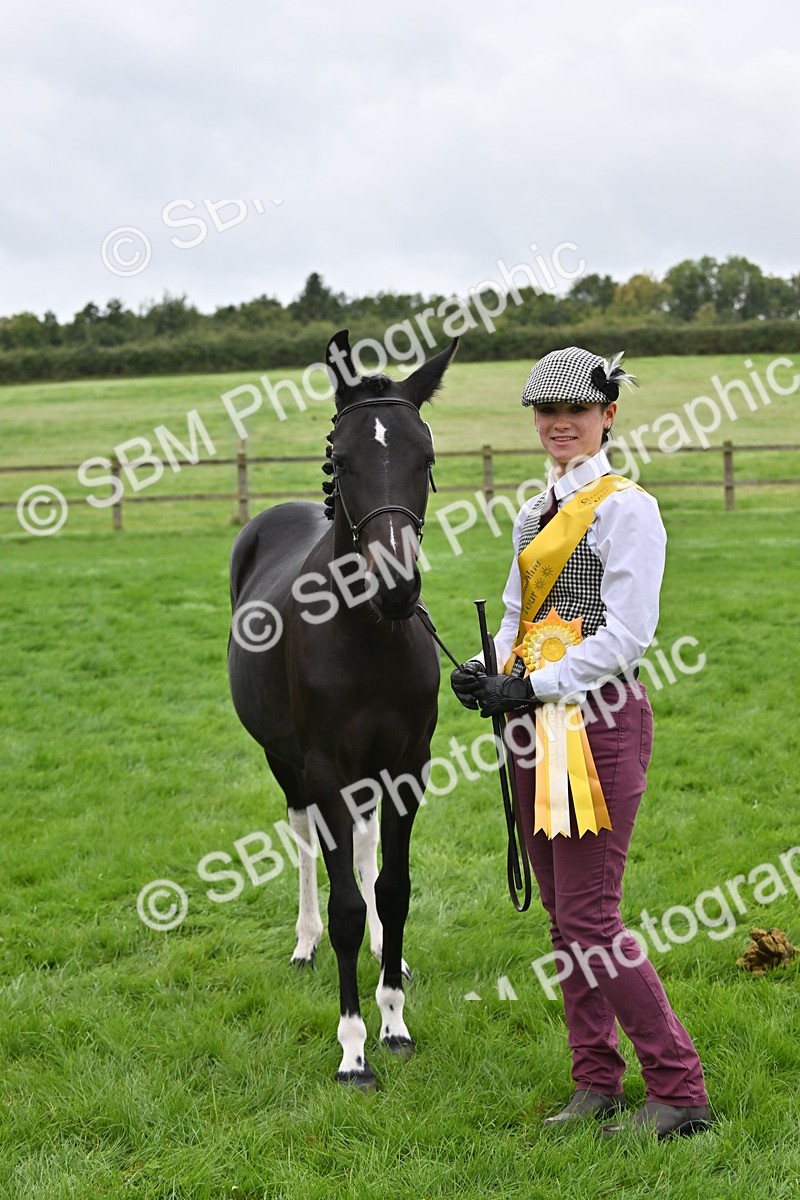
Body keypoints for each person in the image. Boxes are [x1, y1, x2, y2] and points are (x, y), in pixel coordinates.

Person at [451, 346, 712, 1140]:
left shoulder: (626, 508)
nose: (559, 423)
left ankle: (679, 1091)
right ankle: (596, 1081)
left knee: (595, 920)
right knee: (565, 923)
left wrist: (529, 684)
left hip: (596, 726)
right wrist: (485, 668)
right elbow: (515, 621)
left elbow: (629, 635)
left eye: (576, 410)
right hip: (535, 730)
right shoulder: (535, 513)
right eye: (545, 410)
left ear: (607, 414)